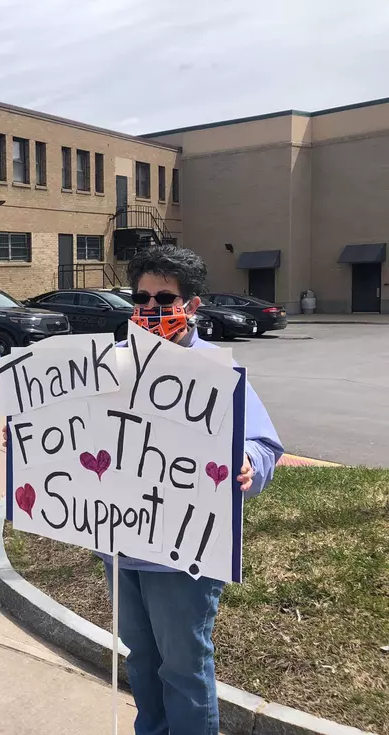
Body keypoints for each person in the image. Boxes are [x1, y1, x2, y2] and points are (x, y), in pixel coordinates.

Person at [112, 245, 283, 735]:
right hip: (121, 546)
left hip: (183, 551)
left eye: (164, 297)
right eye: (141, 297)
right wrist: (30, 439)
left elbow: (263, 444)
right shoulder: (112, 363)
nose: (150, 308)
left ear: (191, 305)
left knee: (183, 668)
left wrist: (249, 463)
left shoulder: (218, 371)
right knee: (140, 657)